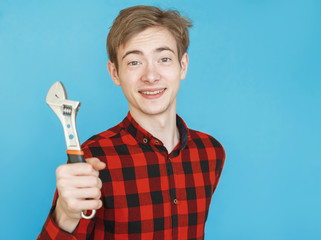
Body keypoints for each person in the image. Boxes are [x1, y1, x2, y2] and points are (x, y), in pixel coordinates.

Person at [38, 5, 225, 240]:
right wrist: (65, 215)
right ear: (115, 73)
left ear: (183, 66)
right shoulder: (91, 159)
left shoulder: (211, 152)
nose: (150, 76)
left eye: (164, 59)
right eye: (134, 62)